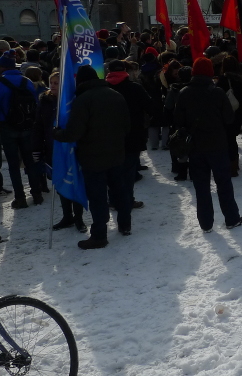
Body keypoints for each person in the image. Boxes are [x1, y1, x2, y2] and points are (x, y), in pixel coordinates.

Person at [54, 65, 132, 248]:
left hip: (93, 157)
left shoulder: (82, 100)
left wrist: (56, 134)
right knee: (120, 190)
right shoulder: (116, 95)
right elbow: (127, 127)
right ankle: (125, 224)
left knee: (97, 197)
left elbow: (73, 133)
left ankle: (99, 235)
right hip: (117, 153)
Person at [174, 57, 242, 232]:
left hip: (195, 147)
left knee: (201, 186)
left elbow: (178, 121)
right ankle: (231, 218)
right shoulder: (217, 92)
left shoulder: (184, 93)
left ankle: (206, 224)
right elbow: (229, 118)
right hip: (217, 145)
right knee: (224, 183)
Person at [0, 51, 44, 208]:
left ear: (2, 67)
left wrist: (2, 115)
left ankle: (20, 197)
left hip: (7, 127)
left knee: (13, 164)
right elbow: (36, 104)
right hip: (27, 126)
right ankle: (37, 193)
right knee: (30, 161)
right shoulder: (27, 82)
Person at [33, 72, 86, 233]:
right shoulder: (45, 101)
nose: (53, 85)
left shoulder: (72, 100)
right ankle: (67, 216)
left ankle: (79, 218)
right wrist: (36, 148)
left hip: (72, 148)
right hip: (53, 148)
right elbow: (38, 126)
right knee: (60, 181)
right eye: (51, 82)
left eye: (57, 83)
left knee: (74, 181)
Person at [105, 59, 154, 209]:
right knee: (128, 171)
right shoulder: (135, 88)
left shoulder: (103, 89)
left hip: (108, 137)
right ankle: (127, 200)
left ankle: (113, 200)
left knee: (113, 171)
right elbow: (151, 107)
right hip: (133, 135)